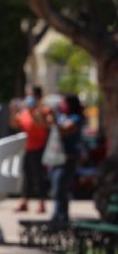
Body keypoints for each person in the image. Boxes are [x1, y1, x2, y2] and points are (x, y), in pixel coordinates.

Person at [11, 86, 51, 213]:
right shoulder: (24, 112)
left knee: (39, 176)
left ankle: (42, 202)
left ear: (38, 97)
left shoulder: (44, 110)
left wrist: (35, 112)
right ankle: (24, 201)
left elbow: (44, 125)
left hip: (39, 148)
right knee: (26, 176)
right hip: (26, 148)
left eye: (31, 95)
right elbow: (14, 124)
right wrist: (14, 112)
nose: (28, 98)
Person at [49, 94, 84, 222]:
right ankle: (57, 216)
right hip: (56, 158)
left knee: (60, 188)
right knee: (55, 190)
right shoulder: (62, 116)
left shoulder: (76, 118)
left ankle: (62, 217)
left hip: (68, 159)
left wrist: (54, 118)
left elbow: (63, 130)